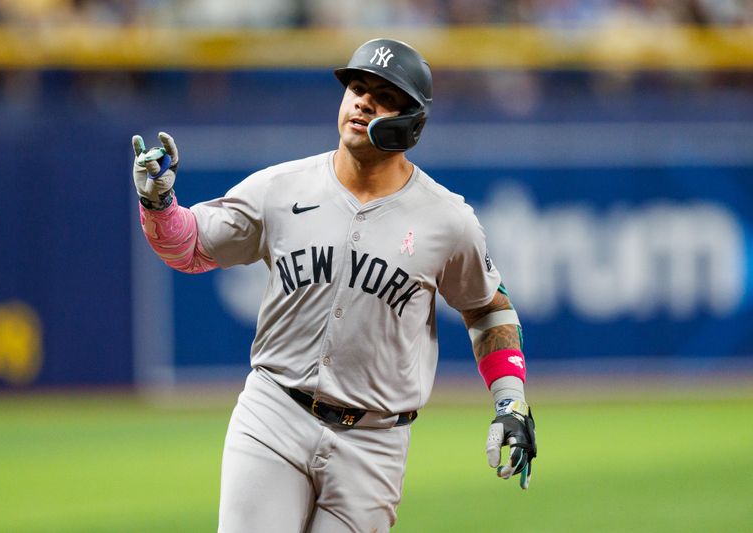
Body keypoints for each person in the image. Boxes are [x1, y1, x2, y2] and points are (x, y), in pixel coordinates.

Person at [131, 38, 537, 533]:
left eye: (384, 95)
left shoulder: (448, 220)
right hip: (274, 414)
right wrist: (158, 203)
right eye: (357, 87)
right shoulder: (281, 188)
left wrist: (510, 399)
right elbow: (191, 247)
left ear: (412, 122)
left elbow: (487, 309)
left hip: (375, 442)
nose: (363, 101)